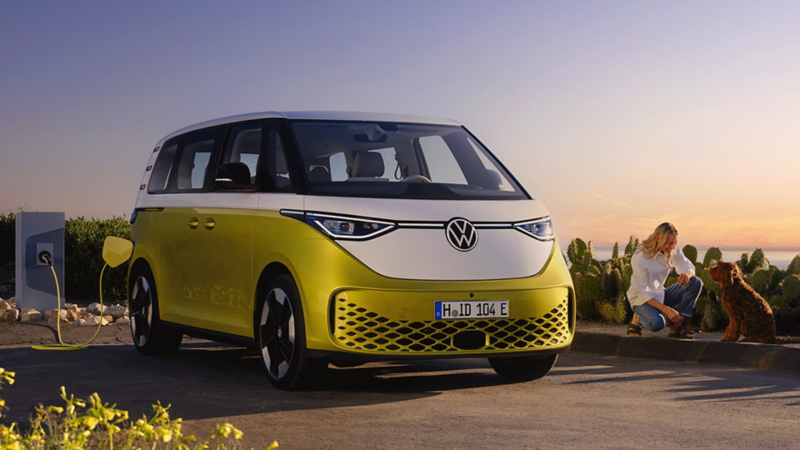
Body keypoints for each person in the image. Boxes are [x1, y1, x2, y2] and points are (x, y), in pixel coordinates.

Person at [626, 222, 702, 339]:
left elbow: (687, 266)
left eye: (675, 242)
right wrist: (666, 310)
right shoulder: (640, 256)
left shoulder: (672, 249)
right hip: (641, 299)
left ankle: (677, 326)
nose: (673, 246)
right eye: (670, 243)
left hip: (660, 295)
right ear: (658, 238)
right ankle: (637, 319)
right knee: (657, 324)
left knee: (695, 282)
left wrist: (687, 274)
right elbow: (643, 292)